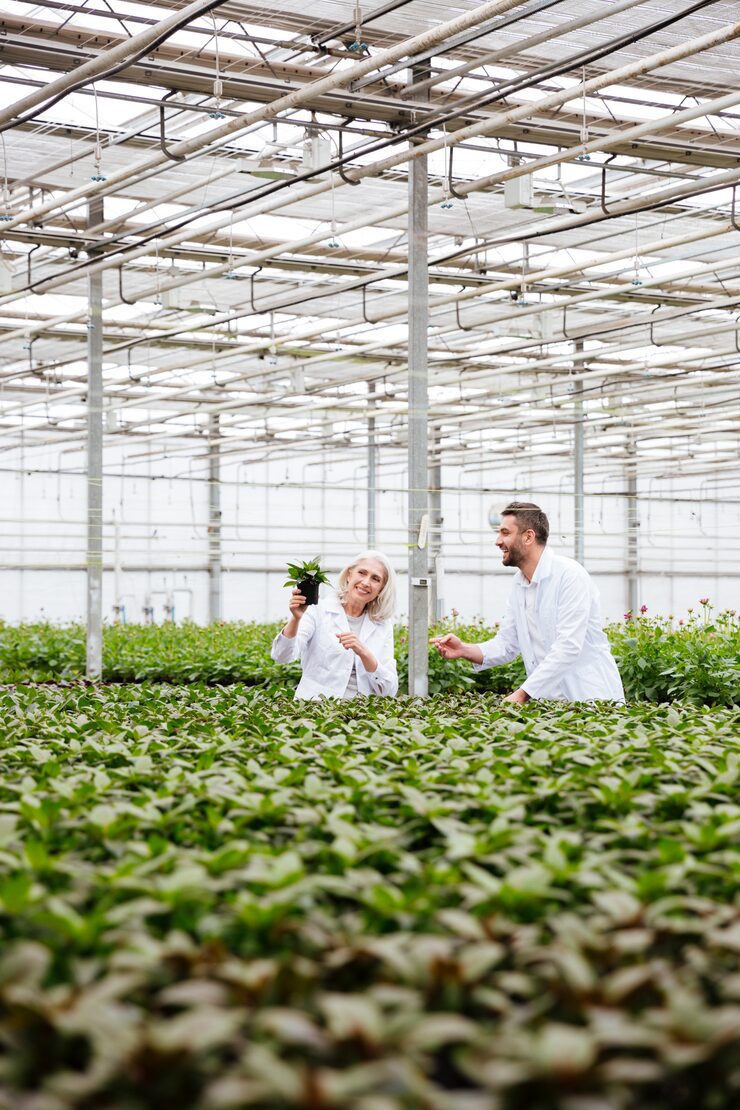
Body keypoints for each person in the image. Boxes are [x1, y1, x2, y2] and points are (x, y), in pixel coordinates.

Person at [432, 502, 624, 703]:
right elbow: (506, 644)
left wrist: (522, 694)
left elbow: (568, 646)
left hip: (592, 701)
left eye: (505, 533)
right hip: (552, 705)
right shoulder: (519, 583)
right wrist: (464, 649)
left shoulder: (570, 576)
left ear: (528, 537)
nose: (498, 541)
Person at [271, 550, 399, 700]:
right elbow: (281, 656)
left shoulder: (382, 625)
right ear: (349, 574)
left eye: (375, 579)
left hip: (363, 714)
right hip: (316, 711)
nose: (365, 582)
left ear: (381, 589)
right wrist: (295, 619)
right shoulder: (318, 610)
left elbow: (389, 690)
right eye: (362, 573)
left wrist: (364, 652)